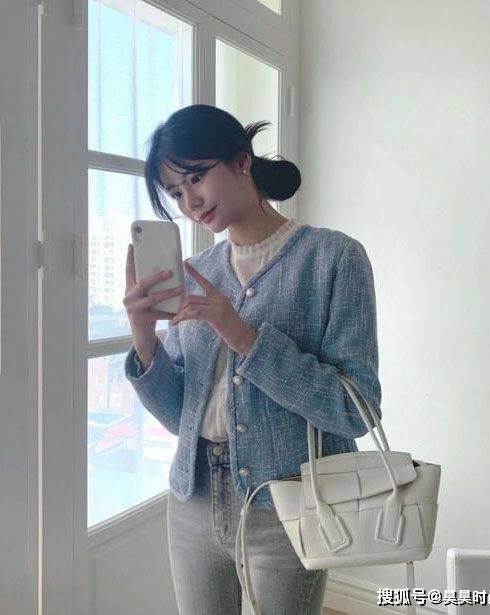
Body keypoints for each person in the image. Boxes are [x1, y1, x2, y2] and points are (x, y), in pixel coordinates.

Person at [123, 104, 382, 614]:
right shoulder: (194, 273)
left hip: (288, 506)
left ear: (241, 160)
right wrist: (143, 335)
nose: (190, 202)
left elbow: (357, 410)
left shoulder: (334, 258)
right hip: (194, 500)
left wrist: (243, 336)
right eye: (175, 193)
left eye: (196, 177)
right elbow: (180, 417)